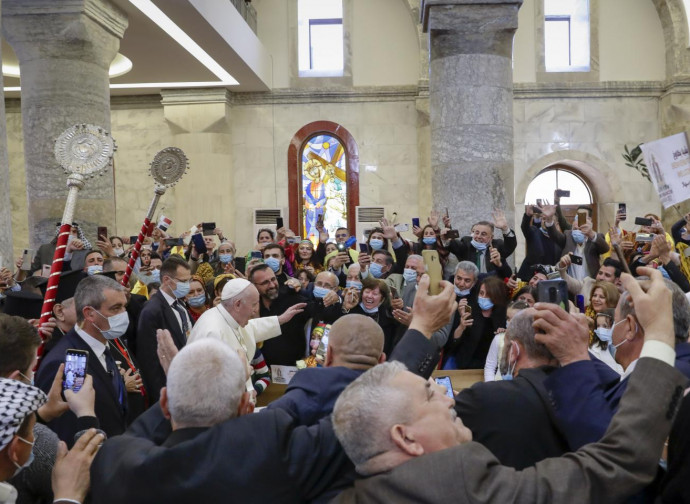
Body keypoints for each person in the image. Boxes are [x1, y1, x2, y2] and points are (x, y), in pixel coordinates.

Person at [330, 267, 686, 502]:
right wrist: (658, 334)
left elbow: (364, 408)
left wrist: (422, 326)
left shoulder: (348, 489)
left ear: (512, 352)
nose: (448, 396)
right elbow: (619, 460)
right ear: (404, 435)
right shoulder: (465, 484)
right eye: (429, 393)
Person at [542, 271, 690, 451]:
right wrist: (576, 347)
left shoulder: (670, 377)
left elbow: (606, 451)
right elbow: (617, 383)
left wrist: (573, 358)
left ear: (629, 327)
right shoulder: (679, 364)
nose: (611, 331)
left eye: (615, 322)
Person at [35, 275, 129, 444]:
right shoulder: (69, 363)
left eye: (124, 307)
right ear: (89, 314)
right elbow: (67, 432)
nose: (124, 314)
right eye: (116, 308)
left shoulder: (104, 348)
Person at [188, 278, 303, 397]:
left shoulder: (230, 316)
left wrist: (280, 320)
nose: (255, 311)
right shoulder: (211, 332)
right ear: (237, 304)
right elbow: (209, 385)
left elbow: (252, 328)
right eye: (253, 305)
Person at [266, 314, 386, 425]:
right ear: (382, 360)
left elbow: (267, 425)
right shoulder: (393, 400)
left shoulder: (309, 386)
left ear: (328, 355)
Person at [136, 256, 193, 404]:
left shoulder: (180, 304)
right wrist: (162, 398)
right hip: (168, 387)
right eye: (183, 281)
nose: (188, 285)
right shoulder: (152, 311)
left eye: (189, 280)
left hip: (187, 380)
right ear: (167, 280)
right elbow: (150, 361)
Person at [444, 276, 508, 370]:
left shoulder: (503, 315)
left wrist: (502, 335)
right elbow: (452, 344)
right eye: (481, 293)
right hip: (464, 364)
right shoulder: (469, 309)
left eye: (488, 295)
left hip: (489, 367)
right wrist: (461, 326)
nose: (483, 297)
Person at [541, 204, 609, 280]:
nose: (579, 218)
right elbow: (554, 235)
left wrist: (591, 234)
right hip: (570, 285)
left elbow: (605, 248)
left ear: (589, 220)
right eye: (577, 215)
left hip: (590, 285)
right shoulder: (568, 235)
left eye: (582, 215)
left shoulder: (595, 237)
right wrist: (549, 220)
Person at [444, 210, 516, 277]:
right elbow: (453, 244)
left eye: (483, 234)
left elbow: (510, 246)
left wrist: (505, 228)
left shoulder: (497, 245)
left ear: (491, 237)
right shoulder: (466, 242)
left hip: (491, 286)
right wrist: (447, 233)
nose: (478, 236)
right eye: (477, 233)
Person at [345, 277, 397, 356]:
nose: (369, 296)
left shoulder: (388, 319)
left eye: (375, 294)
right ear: (362, 293)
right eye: (367, 292)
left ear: (382, 299)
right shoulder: (351, 309)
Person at [483, 300, 530, 382]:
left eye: (515, 319)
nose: (510, 322)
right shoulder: (499, 338)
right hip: (498, 386)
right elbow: (490, 366)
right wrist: (490, 385)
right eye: (508, 318)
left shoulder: (532, 341)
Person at [518, 204, 561, 280]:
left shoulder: (559, 239)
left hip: (549, 278)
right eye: (544, 219)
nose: (545, 222)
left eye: (548, 219)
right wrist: (527, 216)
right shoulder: (534, 232)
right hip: (530, 277)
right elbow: (525, 227)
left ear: (556, 224)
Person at [557, 255, 623, 303]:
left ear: (617, 280)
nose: (601, 278)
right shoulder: (587, 283)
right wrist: (562, 265)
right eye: (600, 273)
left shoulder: (619, 298)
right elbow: (565, 280)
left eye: (607, 275)